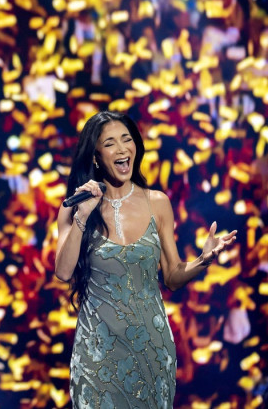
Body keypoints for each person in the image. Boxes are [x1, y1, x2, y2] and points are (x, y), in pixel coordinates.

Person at [54, 110, 237, 408]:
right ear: (97, 156)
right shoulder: (74, 208)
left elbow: (173, 276)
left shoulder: (157, 203)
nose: (122, 148)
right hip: (96, 356)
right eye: (111, 143)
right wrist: (83, 217)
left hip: (151, 350)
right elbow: (63, 272)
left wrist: (203, 261)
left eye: (127, 139)